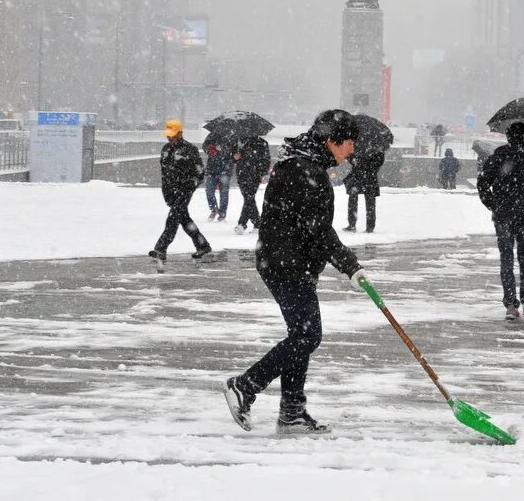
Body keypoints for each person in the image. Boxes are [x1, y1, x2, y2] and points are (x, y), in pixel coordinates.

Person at [224, 109, 368, 435]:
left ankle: (291, 411)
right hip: (285, 264)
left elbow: (312, 227)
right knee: (307, 336)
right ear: (332, 141)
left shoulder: (303, 164)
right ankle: (245, 386)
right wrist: (351, 267)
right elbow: (320, 229)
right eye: (349, 143)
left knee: (300, 336)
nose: (352, 150)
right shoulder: (305, 171)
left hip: (288, 261)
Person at [477, 122, 524, 320]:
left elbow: (483, 183)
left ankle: (510, 304)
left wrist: (492, 204)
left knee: (506, 259)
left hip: (503, 215)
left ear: (508, 137)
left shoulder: (498, 156)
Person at [150, 119, 211, 270]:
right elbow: (164, 173)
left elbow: (199, 173)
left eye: (173, 135)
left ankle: (161, 249)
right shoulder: (165, 149)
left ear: (180, 133)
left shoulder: (190, 150)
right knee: (183, 218)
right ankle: (203, 245)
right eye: (168, 135)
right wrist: (166, 191)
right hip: (170, 192)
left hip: (184, 190)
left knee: (172, 219)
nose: (170, 138)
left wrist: (190, 186)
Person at [233, 135, 271, 234]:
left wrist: (263, 173)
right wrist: (235, 156)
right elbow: (232, 157)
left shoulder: (262, 143)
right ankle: (258, 224)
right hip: (242, 174)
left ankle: (242, 224)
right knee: (248, 198)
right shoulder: (238, 141)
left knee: (248, 198)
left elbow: (266, 159)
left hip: (255, 175)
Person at [343, 148, 384, 233]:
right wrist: (353, 160)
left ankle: (367, 227)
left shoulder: (372, 144)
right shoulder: (365, 143)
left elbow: (379, 160)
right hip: (364, 176)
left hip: (366, 176)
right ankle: (356, 225)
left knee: (367, 203)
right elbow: (349, 155)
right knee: (363, 202)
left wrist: (364, 163)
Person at [202, 133, 234, 221]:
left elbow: (235, 153)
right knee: (209, 191)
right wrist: (212, 149)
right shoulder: (212, 135)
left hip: (225, 170)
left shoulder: (232, 137)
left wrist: (225, 151)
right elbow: (204, 146)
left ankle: (222, 214)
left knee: (224, 193)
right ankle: (214, 209)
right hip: (211, 170)